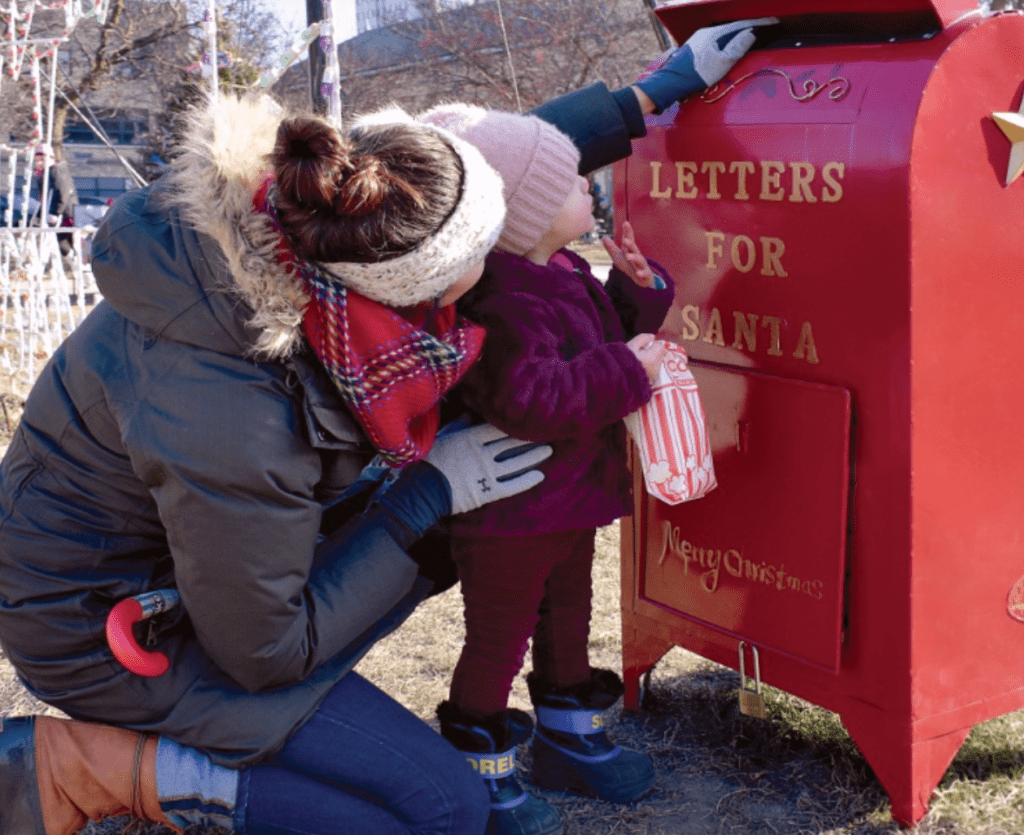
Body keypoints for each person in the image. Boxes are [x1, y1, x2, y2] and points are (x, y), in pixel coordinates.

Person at [0, 15, 774, 835]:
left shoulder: (331, 218)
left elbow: (479, 174)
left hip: (215, 567)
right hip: (115, 624)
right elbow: (263, 652)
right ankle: (91, 769)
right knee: (443, 810)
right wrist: (424, 493)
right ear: (414, 287)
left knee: (460, 558)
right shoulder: (231, 404)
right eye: (484, 258)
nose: (507, 259)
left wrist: (651, 93)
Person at [418, 104, 672, 835]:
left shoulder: (562, 270)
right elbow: (534, 399)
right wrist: (628, 367)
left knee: (568, 616)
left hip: (571, 496)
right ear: (521, 213)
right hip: (513, 506)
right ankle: (479, 771)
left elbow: (601, 343)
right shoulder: (501, 296)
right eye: (569, 186)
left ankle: (569, 734)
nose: (589, 193)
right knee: (497, 636)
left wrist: (636, 296)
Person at [32, 144, 78, 258]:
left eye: (42, 160)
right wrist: (38, 215)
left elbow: (62, 193)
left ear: (50, 158)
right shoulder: (44, 174)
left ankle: (79, 263)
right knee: (59, 242)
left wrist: (55, 213)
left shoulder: (57, 171)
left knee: (67, 241)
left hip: (66, 214)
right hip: (55, 212)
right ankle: (72, 262)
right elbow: (45, 197)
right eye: (37, 160)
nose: (39, 163)